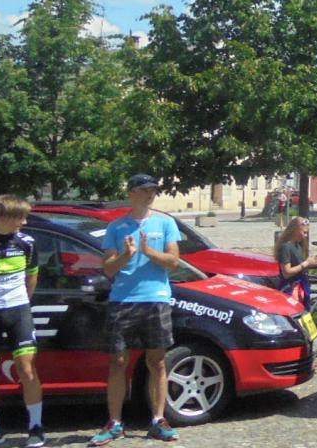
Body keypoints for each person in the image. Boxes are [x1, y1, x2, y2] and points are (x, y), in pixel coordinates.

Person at [90, 174, 182, 446]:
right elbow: (108, 269)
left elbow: (174, 262)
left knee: (158, 362)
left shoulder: (166, 223)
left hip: (156, 299)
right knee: (118, 362)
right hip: (123, 300)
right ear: (131, 193)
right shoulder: (116, 227)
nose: (150, 195)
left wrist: (149, 252)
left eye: (153, 190)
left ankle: (158, 420)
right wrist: (126, 256)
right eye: (144, 190)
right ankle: (115, 422)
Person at [0, 196, 40, 448]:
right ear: (4, 217)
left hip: (18, 310)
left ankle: (36, 428)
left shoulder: (27, 243)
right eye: (20, 217)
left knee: (26, 369)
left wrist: (23, 301)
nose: (24, 222)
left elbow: (32, 277)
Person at [274, 217, 317, 309]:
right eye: (304, 232)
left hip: (301, 287)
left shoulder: (298, 246)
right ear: (295, 230)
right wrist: (306, 263)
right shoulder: (286, 247)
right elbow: (286, 273)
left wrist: (316, 261)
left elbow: (301, 264)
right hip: (291, 288)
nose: (305, 235)